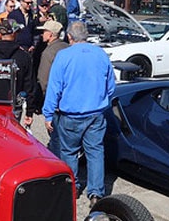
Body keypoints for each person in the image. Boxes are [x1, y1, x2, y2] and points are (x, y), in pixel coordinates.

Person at [42, 21, 116, 208]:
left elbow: (54, 87)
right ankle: (96, 193)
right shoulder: (100, 54)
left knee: (69, 152)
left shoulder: (64, 56)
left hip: (71, 114)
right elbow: (111, 86)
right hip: (96, 113)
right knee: (95, 152)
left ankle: (72, 188)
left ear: (69, 37)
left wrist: (48, 114)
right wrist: (101, 101)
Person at [0, 19, 36, 126]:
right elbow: (29, 85)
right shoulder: (23, 56)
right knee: (12, 131)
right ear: (15, 34)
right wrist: (29, 111)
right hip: (13, 105)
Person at [36, 19, 69, 155]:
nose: (42, 34)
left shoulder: (48, 52)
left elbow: (43, 79)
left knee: (56, 139)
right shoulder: (67, 47)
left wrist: (45, 99)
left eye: (44, 31)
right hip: (69, 98)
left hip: (56, 100)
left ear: (50, 34)